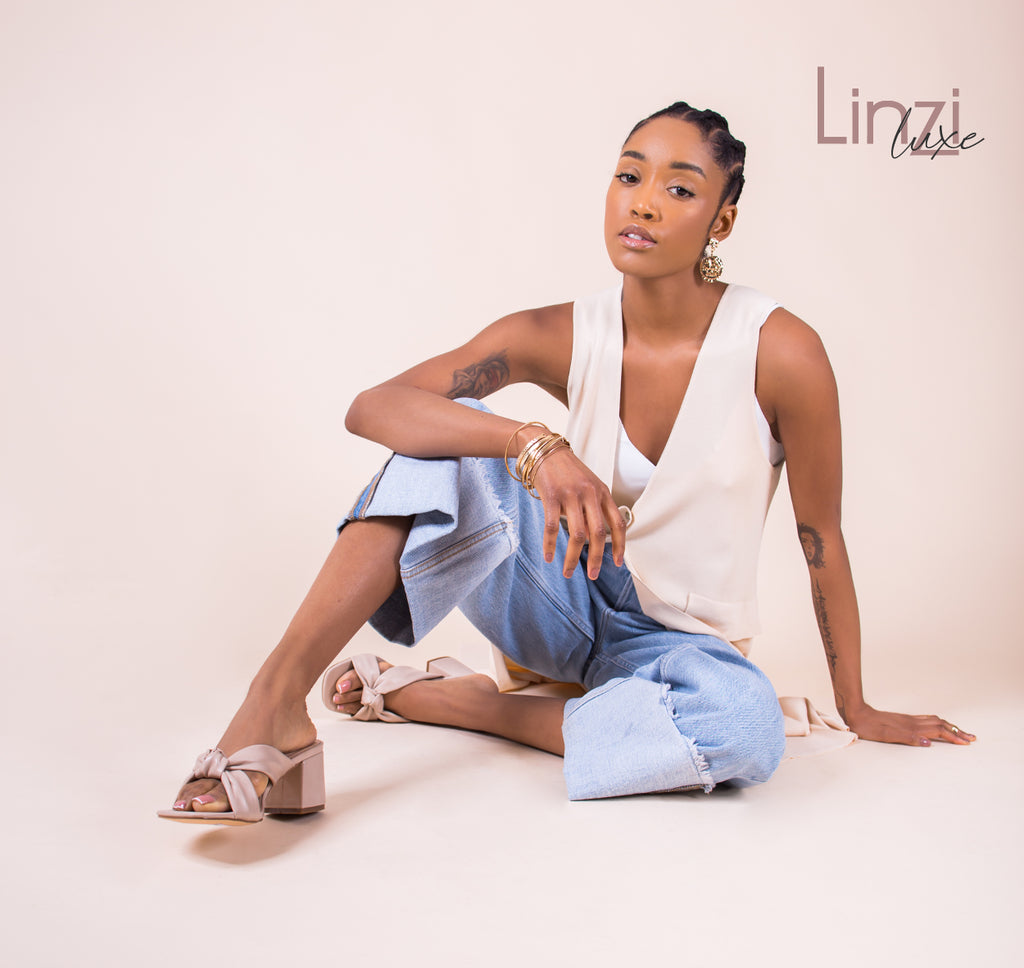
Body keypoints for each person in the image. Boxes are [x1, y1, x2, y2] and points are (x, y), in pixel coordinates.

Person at [160, 102, 974, 824]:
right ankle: (274, 704)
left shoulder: (781, 351)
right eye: (629, 175)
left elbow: (819, 536)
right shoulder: (561, 333)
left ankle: (460, 704)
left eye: (680, 188)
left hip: (682, 651)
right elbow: (375, 407)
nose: (643, 202)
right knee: (452, 437)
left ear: (721, 222)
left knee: (747, 728)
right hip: (556, 600)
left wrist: (856, 706)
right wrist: (532, 443)